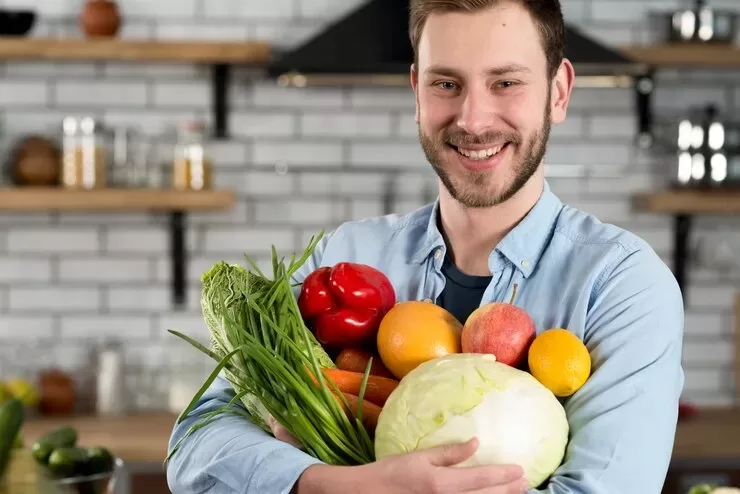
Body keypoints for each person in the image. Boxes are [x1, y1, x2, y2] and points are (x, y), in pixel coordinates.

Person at [165, 0, 685, 492]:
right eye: (446, 83)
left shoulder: (620, 284)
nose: (473, 119)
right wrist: (342, 487)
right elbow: (196, 446)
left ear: (558, 92)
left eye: (505, 82)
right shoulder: (347, 256)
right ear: (417, 91)